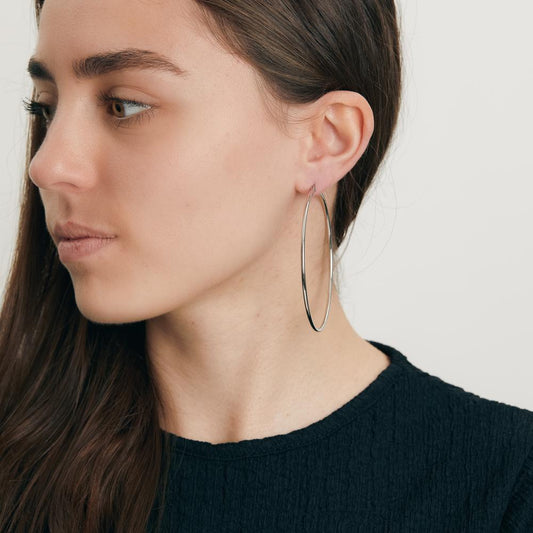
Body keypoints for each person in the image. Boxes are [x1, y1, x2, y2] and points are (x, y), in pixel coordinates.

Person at [0, 0, 531, 531]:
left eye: (124, 105)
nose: (47, 164)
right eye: (44, 108)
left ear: (327, 139)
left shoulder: (505, 491)